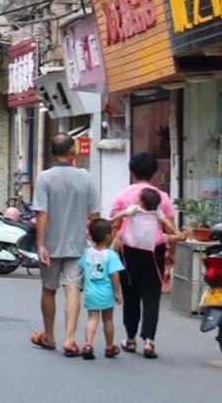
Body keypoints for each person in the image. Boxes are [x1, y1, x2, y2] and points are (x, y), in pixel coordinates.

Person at [29, 133, 100, 357]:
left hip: (50, 246)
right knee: (73, 288)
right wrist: (99, 244)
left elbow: (41, 213)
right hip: (77, 245)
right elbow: (95, 216)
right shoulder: (86, 178)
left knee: (48, 289)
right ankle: (70, 339)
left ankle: (50, 335)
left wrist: (41, 245)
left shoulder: (44, 178)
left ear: (52, 152)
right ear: (73, 151)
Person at [109, 152, 181, 359]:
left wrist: (109, 250)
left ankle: (130, 338)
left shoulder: (122, 195)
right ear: (153, 173)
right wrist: (170, 253)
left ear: (132, 172)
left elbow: (114, 224)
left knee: (130, 294)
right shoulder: (162, 197)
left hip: (128, 251)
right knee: (151, 296)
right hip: (154, 252)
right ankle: (149, 341)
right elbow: (170, 227)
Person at [79, 218, 124, 360]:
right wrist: (117, 292)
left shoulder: (87, 253)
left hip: (90, 292)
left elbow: (82, 268)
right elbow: (115, 275)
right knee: (108, 319)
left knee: (92, 318)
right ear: (108, 236)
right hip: (106, 292)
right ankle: (109, 347)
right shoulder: (111, 255)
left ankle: (88, 344)